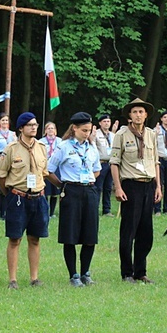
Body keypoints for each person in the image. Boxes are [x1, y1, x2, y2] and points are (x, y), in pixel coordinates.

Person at [0, 112, 49, 289]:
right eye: (29, 125)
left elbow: (44, 172)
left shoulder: (42, 147)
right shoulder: (11, 149)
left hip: (38, 198)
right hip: (18, 198)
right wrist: (10, 194)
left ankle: (34, 278)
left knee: (35, 239)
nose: (34, 127)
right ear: (20, 128)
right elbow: (0, 176)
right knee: (14, 239)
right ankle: (13, 279)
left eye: (35, 124)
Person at [110, 98, 162, 284]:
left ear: (146, 115)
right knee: (129, 231)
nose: (138, 115)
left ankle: (141, 271)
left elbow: (155, 161)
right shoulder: (121, 135)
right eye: (135, 112)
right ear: (129, 116)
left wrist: (158, 186)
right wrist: (118, 187)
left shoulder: (151, 134)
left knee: (146, 232)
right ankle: (127, 272)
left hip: (149, 184)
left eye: (141, 112)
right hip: (131, 186)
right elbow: (114, 163)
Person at [47, 112, 101, 286]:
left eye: (89, 130)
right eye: (84, 130)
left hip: (89, 191)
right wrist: (61, 186)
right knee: (70, 234)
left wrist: (90, 179)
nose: (87, 134)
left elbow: (97, 169)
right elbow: (48, 170)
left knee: (90, 233)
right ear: (74, 129)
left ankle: (86, 272)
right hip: (71, 191)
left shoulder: (91, 148)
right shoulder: (63, 147)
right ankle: (74, 275)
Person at [94, 114, 117, 217]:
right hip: (101, 163)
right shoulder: (96, 134)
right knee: (98, 187)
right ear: (100, 123)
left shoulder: (112, 135)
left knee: (108, 188)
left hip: (110, 163)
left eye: (108, 121)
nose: (106, 123)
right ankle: (95, 208)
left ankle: (106, 210)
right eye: (104, 121)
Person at [39, 122, 63, 217]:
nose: (50, 130)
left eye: (52, 128)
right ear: (45, 131)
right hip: (45, 167)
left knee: (54, 192)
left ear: (55, 131)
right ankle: (45, 211)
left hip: (56, 168)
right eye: (48, 128)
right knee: (46, 190)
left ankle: (52, 213)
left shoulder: (60, 141)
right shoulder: (41, 142)